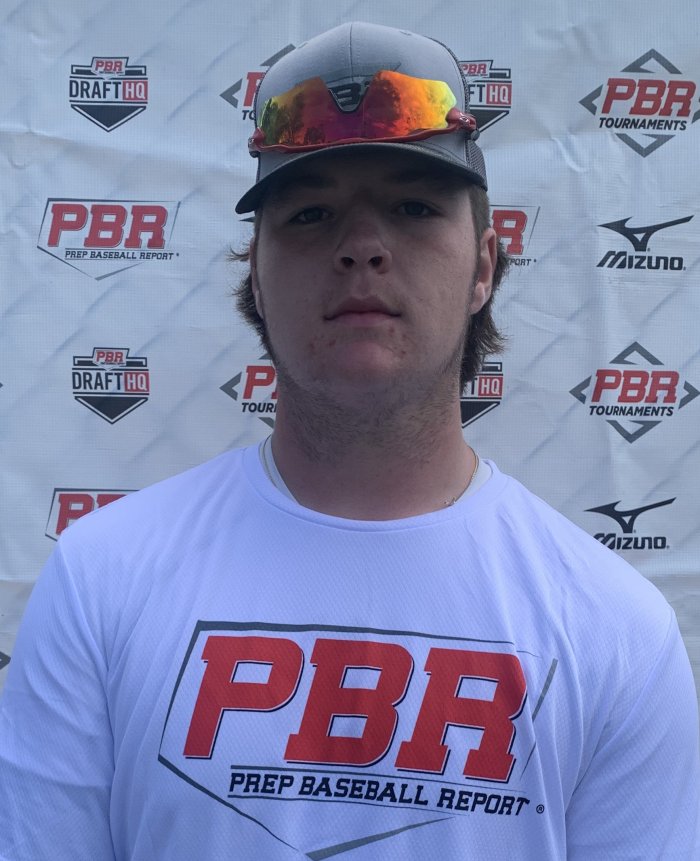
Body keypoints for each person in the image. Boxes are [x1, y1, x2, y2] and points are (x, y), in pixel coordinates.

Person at [0, 21, 698, 861]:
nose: (362, 247)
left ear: (484, 267)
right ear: (256, 275)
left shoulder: (616, 631)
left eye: (413, 207)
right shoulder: (101, 581)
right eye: (311, 213)